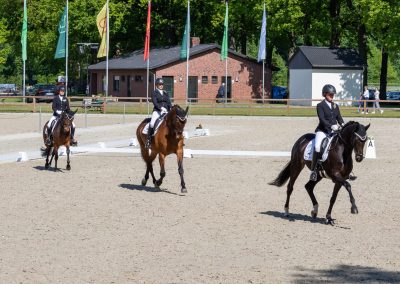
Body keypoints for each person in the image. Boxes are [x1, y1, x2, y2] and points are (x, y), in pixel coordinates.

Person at [310, 84, 345, 181]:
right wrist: (331, 126)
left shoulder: (335, 105)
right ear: (325, 94)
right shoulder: (320, 105)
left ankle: (345, 169)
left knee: (343, 145)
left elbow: (339, 118)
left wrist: (343, 124)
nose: (332, 96)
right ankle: (314, 171)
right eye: (330, 94)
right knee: (317, 147)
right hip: (323, 131)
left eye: (333, 95)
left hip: (334, 131)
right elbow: (322, 119)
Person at [146, 78, 172, 148]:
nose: (161, 85)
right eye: (160, 84)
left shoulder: (165, 93)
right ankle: (149, 140)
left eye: (162, 84)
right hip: (157, 111)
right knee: (152, 123)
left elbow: (169, 102)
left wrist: (171, 109)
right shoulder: (154, 92)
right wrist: (160, 108)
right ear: (156, 85)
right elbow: (155, 102)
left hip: (166, 111)